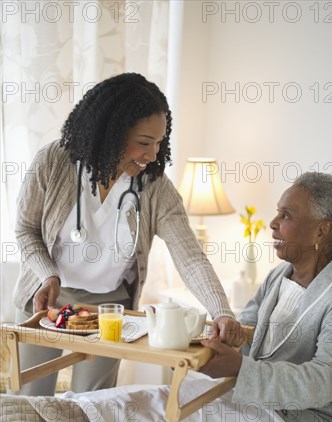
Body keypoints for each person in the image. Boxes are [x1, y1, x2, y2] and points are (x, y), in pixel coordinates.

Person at [13, 72, 244, 396]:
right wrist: (47, 275)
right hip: (46, 299)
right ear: (111, 132)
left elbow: (189, 257)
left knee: (93, 404)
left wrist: (221, 310)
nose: (152, 155)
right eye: (144, 143)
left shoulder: (154, 189)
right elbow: (25, 229)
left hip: (110, 309)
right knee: (29, 400)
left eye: (159, 143)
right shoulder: (54, 161)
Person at [201, 172, 332, 422]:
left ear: (321, 231)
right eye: (277, 212)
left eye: (286, 215)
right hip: (268, 405)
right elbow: (249, 325)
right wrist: (229, 333)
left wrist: (242, 369)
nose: (273, 223)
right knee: (175, 409)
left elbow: (329, 378)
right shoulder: (280, 275)